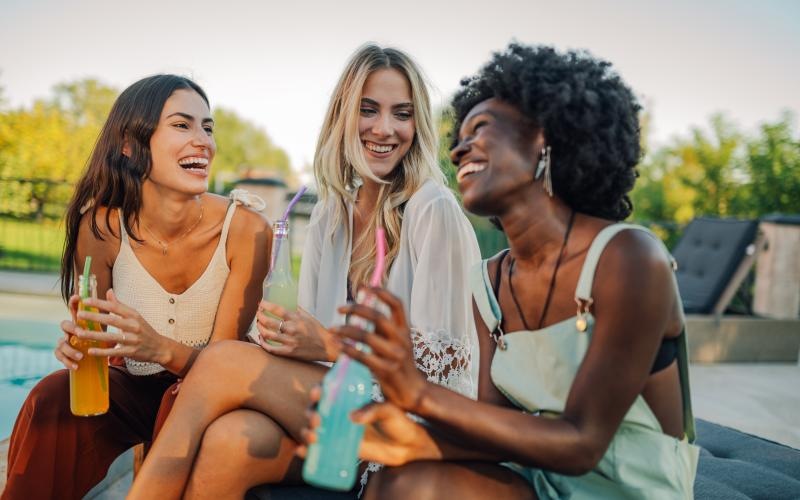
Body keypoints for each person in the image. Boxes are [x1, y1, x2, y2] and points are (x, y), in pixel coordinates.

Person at [303, 43, 699, 499]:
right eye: (461, 135)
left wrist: (415, 393)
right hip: (539, 475)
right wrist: (409, 439)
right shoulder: (491, 281)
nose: (458, 150)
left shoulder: (630, 258)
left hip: (627, 488)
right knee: (398, 480)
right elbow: (490, 432)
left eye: (482, 129)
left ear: (543, 140)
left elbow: (583, 443)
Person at [127, 44, 481, 499]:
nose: (385, 129)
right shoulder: (331, 214)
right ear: (343, 116)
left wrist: (330, 344)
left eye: (402, 114)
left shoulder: (432, 209)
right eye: (368, 110)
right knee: (229, 440)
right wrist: (283, 339)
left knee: (221, 362)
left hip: (407, 426)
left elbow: (446, 373)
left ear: (418, 123)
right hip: (337, 410)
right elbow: (313, 345)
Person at [2, 75, 270, 500]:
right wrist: (80, 347)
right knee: (51, 395)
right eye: (183, 125)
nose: (203, 141)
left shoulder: (246, 230)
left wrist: (159, 347)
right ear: (130, 143)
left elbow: (226, 370)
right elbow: (100, 345)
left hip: (213, 399)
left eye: (207, 127)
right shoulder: (101, 228)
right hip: (132, 390)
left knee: (178, 400)